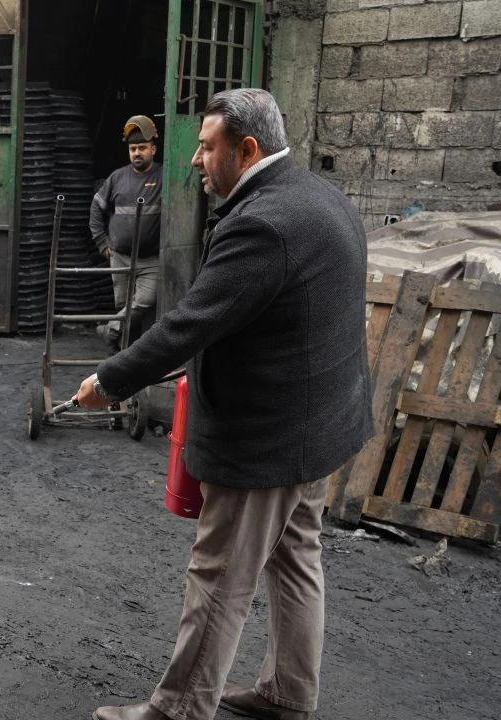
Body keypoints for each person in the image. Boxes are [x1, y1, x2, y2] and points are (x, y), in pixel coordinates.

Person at [74, 88, 374, 720]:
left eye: (206, 148)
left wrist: (109, 381)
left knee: (219, 575)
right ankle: (288, 693)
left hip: (267, 437)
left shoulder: (261, 223)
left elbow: (188, 324)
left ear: (247, 149)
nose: (193, 161)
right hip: (319, 426)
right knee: (296, 557)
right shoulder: (320, 196)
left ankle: (181, 708)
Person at [89, 115, 163, 356]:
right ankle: (123, 355)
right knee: (123, 306)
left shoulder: (163, 177)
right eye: (133, 149)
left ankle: (109, 331)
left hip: (150, 260)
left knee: (143, 302)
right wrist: (102, 242)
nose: (137, 153)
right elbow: (96, 208)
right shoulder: (117, 178)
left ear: (153, 148)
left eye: (142, 148)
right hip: (119, 256)